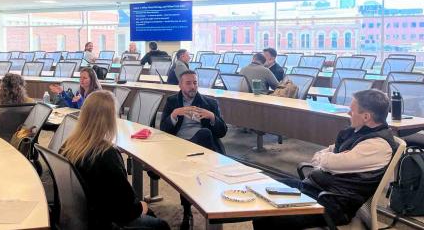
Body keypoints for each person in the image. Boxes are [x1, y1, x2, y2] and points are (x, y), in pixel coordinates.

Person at [253, 89, 398, 229]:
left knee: (268, 217)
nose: (348, 113)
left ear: (366, 117)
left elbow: (330, 162)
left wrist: (331, 159)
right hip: (317, 189)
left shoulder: (377, 145)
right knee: (264, 189)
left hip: (333, 204)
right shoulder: (358, 132)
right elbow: (323, 155)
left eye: (352, 111)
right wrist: (332, 158)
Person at [59, 90, 170, 230]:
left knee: (150, 215)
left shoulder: (68, 145)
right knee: (161, 225)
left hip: (82, 214)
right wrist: (142, 206)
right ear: (111, 119)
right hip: (105, 220)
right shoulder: (106, 154)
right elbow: (127, 210)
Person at [160, 70, 227, 229]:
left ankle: (203, 202)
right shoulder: (172, 102)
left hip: (203, 145)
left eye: (195, 83)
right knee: (188, 169)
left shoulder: (209, 103)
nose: (192, 87)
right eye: (188, 83)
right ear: (180, 85)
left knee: (204, 134)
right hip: (179, 145)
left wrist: (212, 117)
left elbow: (222, 131)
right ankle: (188, 209)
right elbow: (163, 129)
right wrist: (174, 115)